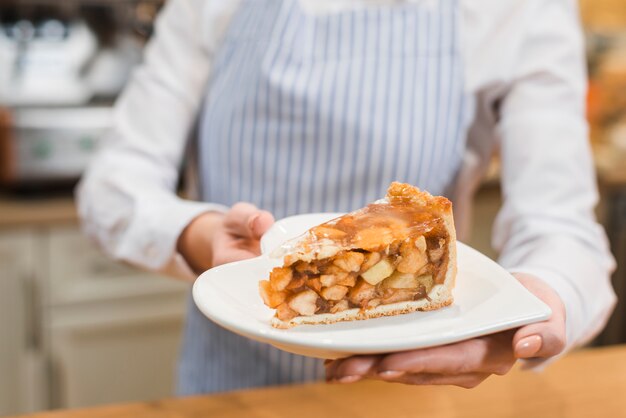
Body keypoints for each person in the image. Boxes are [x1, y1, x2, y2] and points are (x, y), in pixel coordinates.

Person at [77, 0, 616, 393]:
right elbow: (112, 186)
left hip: (414, 391)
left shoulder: (519, 10)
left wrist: (545, 297)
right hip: (231, 391)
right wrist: (198, 236)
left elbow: (559, 225)